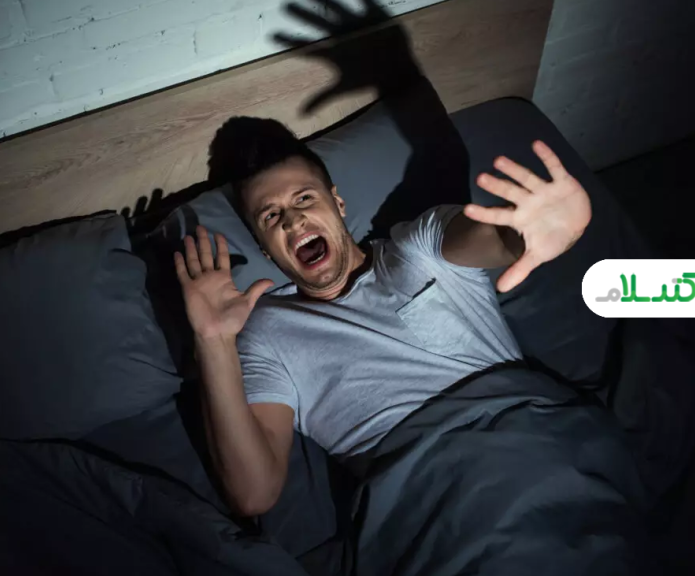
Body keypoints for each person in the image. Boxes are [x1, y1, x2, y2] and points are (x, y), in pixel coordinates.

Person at [172, 129, 592, 517]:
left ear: (338, 204)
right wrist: (213, 341)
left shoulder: (417, 247)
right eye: (270, 216)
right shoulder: (266, 331)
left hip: (543, 439)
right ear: (266, 250)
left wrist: (532, 228)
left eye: (304, 199)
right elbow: (253, 495)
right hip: (435, 498)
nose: (293, 221)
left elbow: (495, 237)